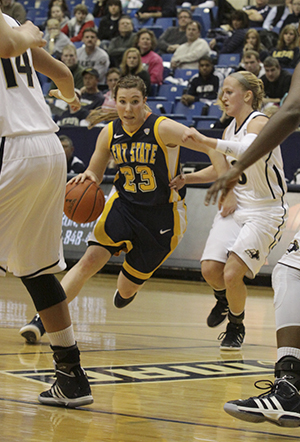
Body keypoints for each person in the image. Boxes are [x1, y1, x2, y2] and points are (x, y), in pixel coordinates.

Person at [19, 75, 228, 344]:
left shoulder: (164, 128)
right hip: (124, 205)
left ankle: (132, 290)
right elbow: (95, 171)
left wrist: (226, 185)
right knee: (88, 261)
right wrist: (88, 179)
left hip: (162, 216)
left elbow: (213, 150)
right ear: (114, 102)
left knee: (124, 291)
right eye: (122, 102)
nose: (128, 109)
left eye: (135, 102)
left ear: (145, 102)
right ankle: (42, 319)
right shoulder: (109, 132)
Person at [203, 36, 300, 429]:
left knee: (289, 271)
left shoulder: (257, 120)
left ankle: (289, 385)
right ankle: (289, 385)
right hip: (244, 207)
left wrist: (230, 167)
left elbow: (291, 111)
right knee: (286, 270)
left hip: (265, 210)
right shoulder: (231, 121)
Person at [0, 11, 92, 407]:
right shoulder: (10, 20)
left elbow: (7, 45)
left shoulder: (11, 29)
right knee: (36, 271)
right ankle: (71, 376)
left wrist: (26, 33)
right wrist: (70, 100)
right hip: (48, 148)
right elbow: (64, 77)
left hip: (9, 145)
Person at [171, 70, 288, 351]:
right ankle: (224, 300)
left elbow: (244, 149)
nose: (222, 96)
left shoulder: (259, 122)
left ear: (247, 96)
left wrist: (204, 140)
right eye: (222, 91)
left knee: (232, 273)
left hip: (266, 211)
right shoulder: (228, 129)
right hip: (238, 208)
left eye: (229, 91)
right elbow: (222, 168)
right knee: (211, 270)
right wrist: (189, 178)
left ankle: (236, 324)